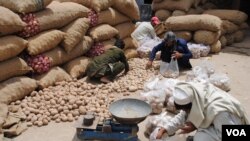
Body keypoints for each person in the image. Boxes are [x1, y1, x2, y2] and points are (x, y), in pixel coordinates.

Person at [155, 82, 249, 141]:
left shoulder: (219, 112)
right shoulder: (196, 96)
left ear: (192, 105)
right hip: (219, 125)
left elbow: (233, 133)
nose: (184, 111)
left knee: (200, 137)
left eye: (186, 109)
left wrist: (197, 126)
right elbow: (183, 115)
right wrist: (165, 129)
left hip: (234, 131)